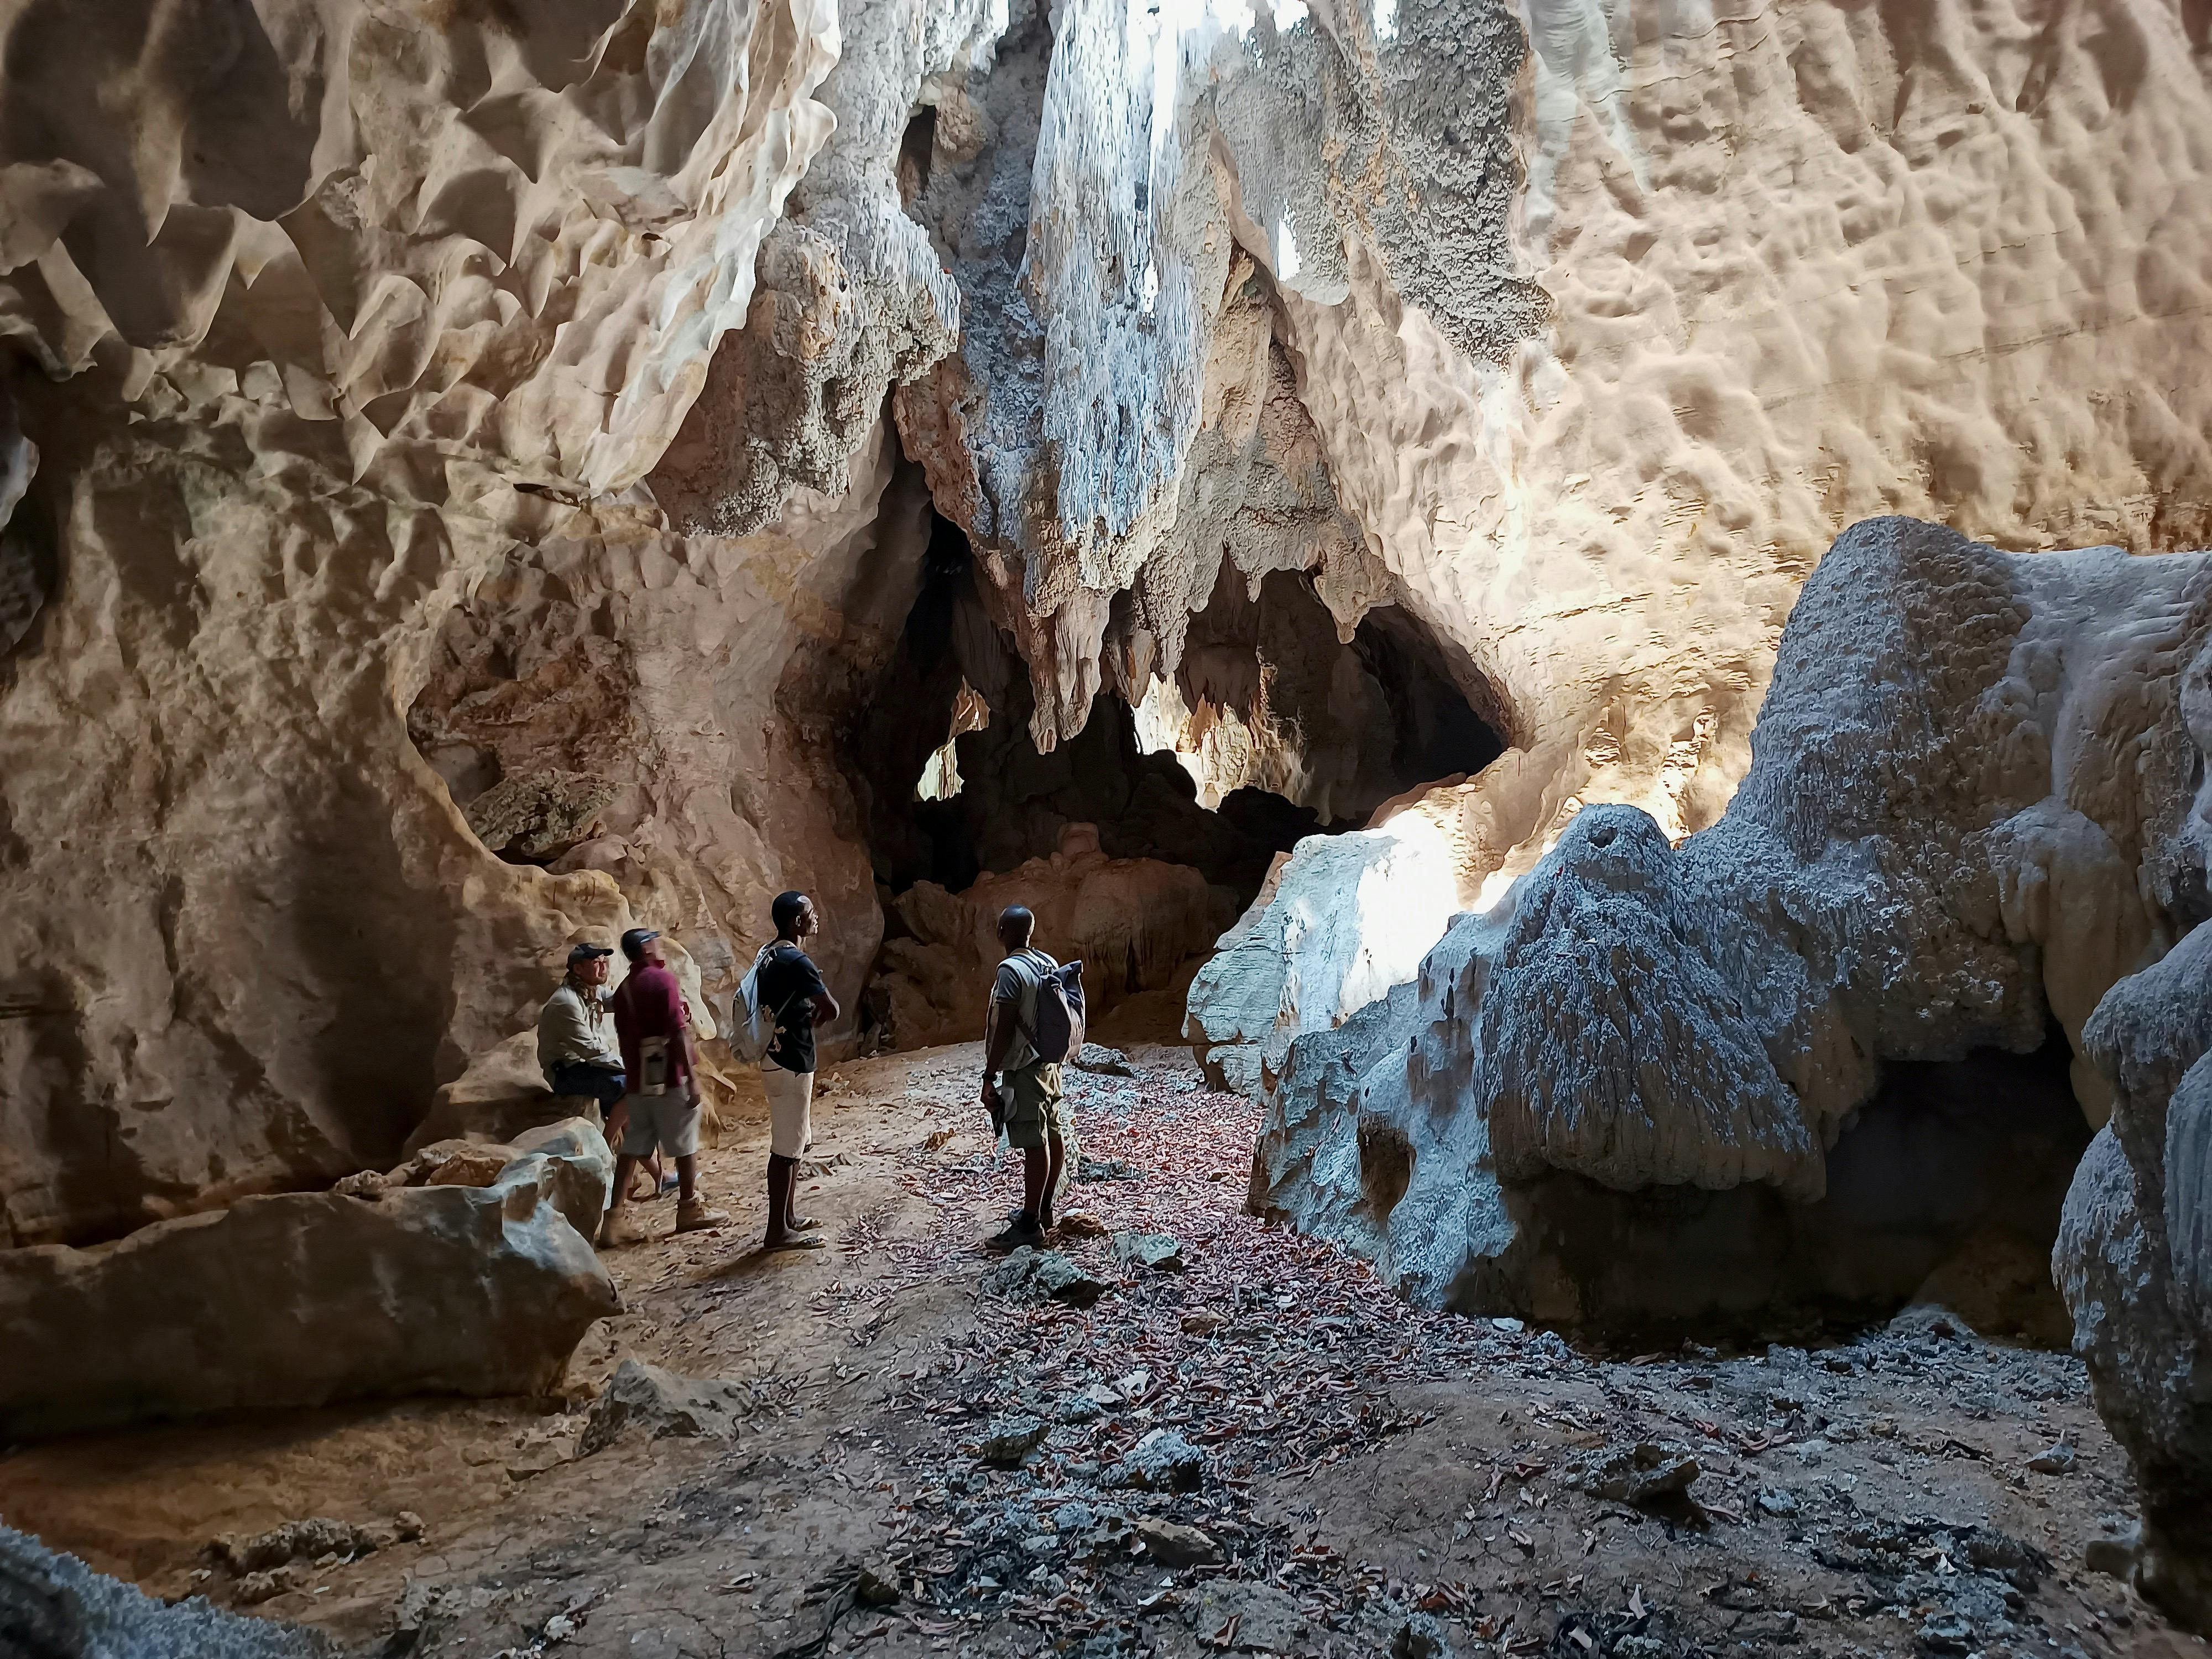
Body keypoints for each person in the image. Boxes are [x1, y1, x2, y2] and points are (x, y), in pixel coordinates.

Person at [600, 928, 728, 1245]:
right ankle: (689, 1208)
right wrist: (693, 1079)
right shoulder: (662, 981)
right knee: (685, 1139)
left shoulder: (625, 988)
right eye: (653, 941)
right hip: (669, 1074)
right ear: (646, 949)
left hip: (638, 1079)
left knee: (633, 1145)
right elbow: (677, 1030)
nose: (659, 946)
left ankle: (612, 1222)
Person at [537, 941, 669, 1202]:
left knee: (633, 1114)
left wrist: (645, 983)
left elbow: (621, 1000)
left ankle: (659, 1177)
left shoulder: (589, 992)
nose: (603, 966)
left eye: (604, 961)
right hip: (566, 1072)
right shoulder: (566, 1003)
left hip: (585, 1068)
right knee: (632, 1088)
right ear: (578, 968)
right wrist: (632, 1067)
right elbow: (591, 1051)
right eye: (595, 962)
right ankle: (605, 1146)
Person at [978, 904, 1072, 1251]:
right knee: (1053, 1132)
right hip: (1049, 1064)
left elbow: (1004, 1027)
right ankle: (1044, 1208)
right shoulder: (1046, 962)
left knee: (1034, 1142)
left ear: (1002, 932)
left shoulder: (1009, 971)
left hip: (1023, 1067)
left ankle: (1031, 1224)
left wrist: (990, 1075)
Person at [754, 891, 839, 1251]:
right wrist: (817, 1014)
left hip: (774, 1055)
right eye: (809, 913)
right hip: (791, 1059)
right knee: (786, 1147)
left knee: (794, 1141)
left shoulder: (768, 954)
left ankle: (788, 1218)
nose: (815, 917)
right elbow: (831, 1009)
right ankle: (777, 1231)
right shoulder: (796, 961)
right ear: (796, 923)